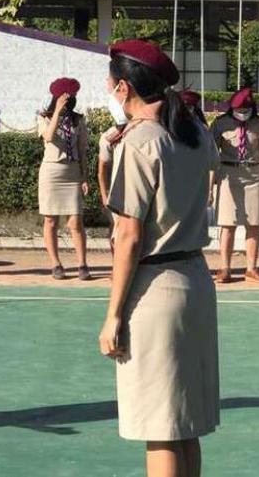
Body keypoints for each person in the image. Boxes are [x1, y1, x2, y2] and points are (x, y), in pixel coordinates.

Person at [98, 39, 219, 477]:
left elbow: (129, 235)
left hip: (155, 287)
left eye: (111, 82)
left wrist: (113, 314)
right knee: (185, 423)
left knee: (159, 426)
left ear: (124, 88)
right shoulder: (192, 132)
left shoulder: (140, 143)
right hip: (195, 279)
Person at [210, 88, 259, 284]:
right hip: (229, 173)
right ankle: (225, 268)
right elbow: (212, 152)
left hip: (253, 173)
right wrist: (210, 186)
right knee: (227, 223)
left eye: (246, 110)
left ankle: (251, 268)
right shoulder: (221, 123)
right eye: (238, 110)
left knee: (253, 223)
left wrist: (251, 161)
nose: (242, 113)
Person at [38, 77, 91, 280]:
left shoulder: (78, 120)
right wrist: (57, 113)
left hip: (72, 172)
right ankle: (56, 264)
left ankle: (82, 264)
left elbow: (82, 150)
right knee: (51, 220)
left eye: (71, 98)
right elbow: (48, 137)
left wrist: (84, 176)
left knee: (76, 221)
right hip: (51, 172)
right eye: (64, 98)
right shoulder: (44, 117)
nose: (68, 102)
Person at [98, 94, 128, 253]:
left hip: (138, 190)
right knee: (117, 230)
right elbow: (102, 169)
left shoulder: (144, 132)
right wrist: (104, 196)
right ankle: (117, 262)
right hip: (117, 192)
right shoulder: (108, 138)